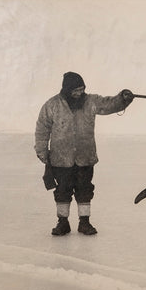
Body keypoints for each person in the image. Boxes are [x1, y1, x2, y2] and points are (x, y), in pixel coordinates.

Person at [35, 72, 134, 236]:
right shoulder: (51, 105)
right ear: (67, 90)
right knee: (62, 191)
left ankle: (84, 222)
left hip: (85, 158)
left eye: (81, 89)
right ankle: (63, 222)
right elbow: (42, 129)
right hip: (60, 159)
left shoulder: (91, 102)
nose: (79, 93)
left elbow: (109, 104)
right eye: (76, 90)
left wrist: (123, 98)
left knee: (84, 190)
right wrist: (42, 151)